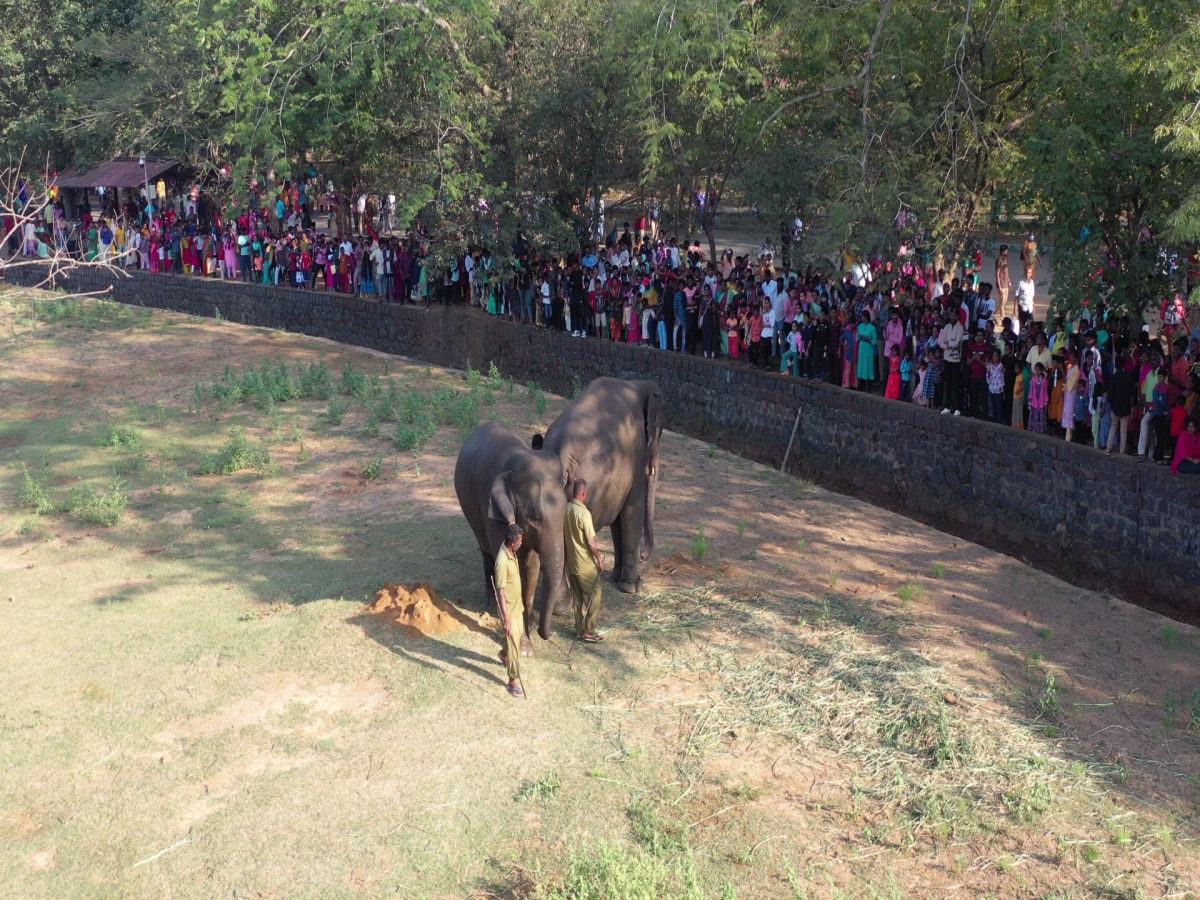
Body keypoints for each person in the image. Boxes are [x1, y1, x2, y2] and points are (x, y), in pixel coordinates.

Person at [564, 480, 604, 643]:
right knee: (595, 594)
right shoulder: (584, 513)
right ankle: (588, 631)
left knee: (578, 598)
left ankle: (579, 629)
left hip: (572, 563)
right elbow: (591, 542)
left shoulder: (566, 509)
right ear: (583, 492)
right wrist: (599, 559)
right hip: (585, 564)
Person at [494, 523, 525, 697]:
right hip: (509, 612)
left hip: (517, 606)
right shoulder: (502, 561)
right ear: (513, 543)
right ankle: (512, 680)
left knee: (517, 637)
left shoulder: (511, 551)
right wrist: (506, 618)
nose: (522, 543)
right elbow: (501, 591)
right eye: (520, 541)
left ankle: (504, 654)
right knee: (515, 646)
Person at [856, 310, 878, 393]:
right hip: (861, 350)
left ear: (866, 317)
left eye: (862, 316)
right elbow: (857, 337)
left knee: (868, 368)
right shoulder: (860, 326)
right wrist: (860, 338)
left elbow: (875, 341)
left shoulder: (872, 328)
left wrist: (868, 339)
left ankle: (868, 389)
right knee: (861, 367)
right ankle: (861, 386)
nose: (861, 318)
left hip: (868, 351)